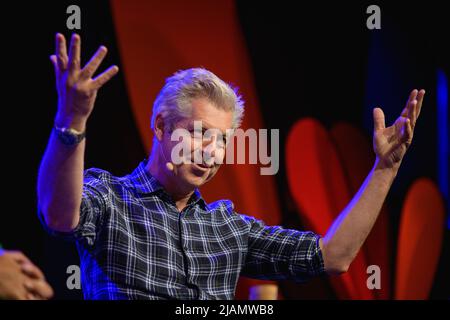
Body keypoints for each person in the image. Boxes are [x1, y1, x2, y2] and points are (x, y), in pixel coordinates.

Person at [37, 33, 425, 300]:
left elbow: (333, 256)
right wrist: (72, 121)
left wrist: (385, 169)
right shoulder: (110, 197)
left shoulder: (229, 228)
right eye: (200, 133)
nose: (211, 152)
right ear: (161, 126)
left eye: (222, 140)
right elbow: (58, 215)